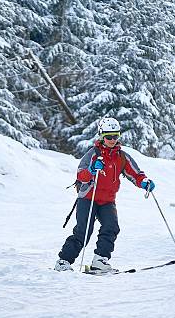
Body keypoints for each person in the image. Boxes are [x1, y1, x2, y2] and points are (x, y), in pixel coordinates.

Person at [54, 117, 155, 273]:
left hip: (107, 200)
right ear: (101, 136)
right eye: (109, 136)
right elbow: (81, 175)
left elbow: (135, 174)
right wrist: (92, 170)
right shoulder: (93, 154)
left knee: (111, 227)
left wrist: (144, 182)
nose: (112, 140)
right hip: (88, 198)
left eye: (116, 136)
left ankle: (100, 260)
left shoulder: (122, 157)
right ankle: (63, 262)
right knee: (84, 231)